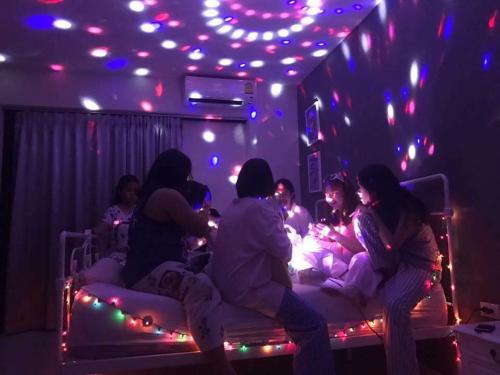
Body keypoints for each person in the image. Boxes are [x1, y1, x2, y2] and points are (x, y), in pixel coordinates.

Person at [211, 158, 335, 375]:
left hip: (227, 284)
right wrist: (278, 218)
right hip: (249, 288)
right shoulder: (260, 209)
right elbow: (285, 252)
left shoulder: (233, 207)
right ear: (267, 182)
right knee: (315, 325)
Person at [121, 150, 235, 375]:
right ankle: (219, 365)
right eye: (187, 175)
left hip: (145, 266)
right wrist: (204, 213)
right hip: (149, 269)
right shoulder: (167, 196)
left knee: (203, 275)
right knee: (202, 289)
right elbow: (200, 228)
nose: (188, 180)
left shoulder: (150, 196)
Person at [354, 164, 438, 375]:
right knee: (362, 219)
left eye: (361, 188)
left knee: (395, 305)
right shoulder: (383, 208)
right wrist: (371, 214)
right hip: (401, 264)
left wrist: (373, 214)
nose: (358, 192)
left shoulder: (408, 210)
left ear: (373, 190)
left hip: (423, 266)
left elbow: (391, 244)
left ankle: (405, 370)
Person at [94, 174, 140, 251]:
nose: (132, 194)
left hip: (136, 253)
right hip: (116, 253)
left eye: (135, 192)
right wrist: (95, 231)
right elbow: (104, 226)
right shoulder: (113, 211)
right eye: (129, 190)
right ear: (120, 192)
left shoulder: (140, 211)